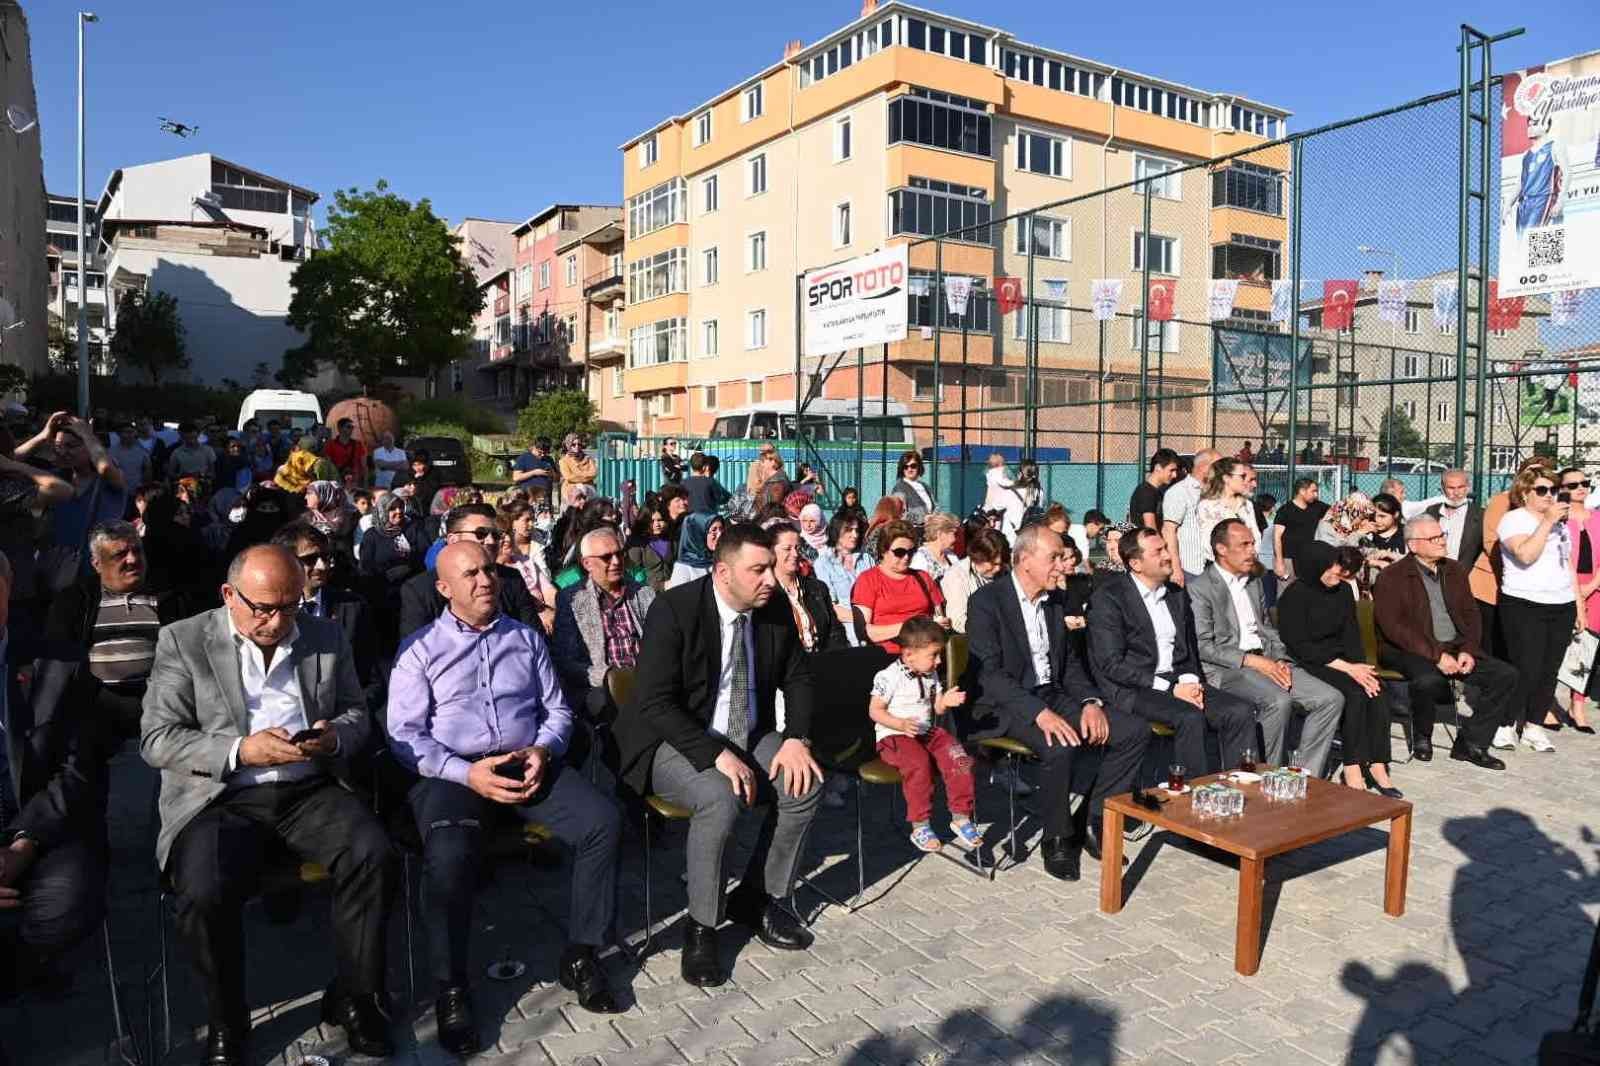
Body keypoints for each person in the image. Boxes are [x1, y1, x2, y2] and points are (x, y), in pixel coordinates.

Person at [139, 545, 395, 1064]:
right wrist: (240, 750)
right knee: (203, 888)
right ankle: (227, 1018)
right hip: (221, 797)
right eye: (263, 609)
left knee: (375, 853)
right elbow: (157, 739)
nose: (277, 621)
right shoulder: (184, 640)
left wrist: (333, 737)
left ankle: (356, 996)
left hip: (307, 789)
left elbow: (355, 712)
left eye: (291, 606)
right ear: (229, 596)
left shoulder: (323, 634)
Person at [387, 543, 623, 1049]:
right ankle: (451, 987)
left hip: (526, 764)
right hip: (455, 774)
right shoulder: (420, 650)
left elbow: (557, 710)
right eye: (470, 574)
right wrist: (466, 774)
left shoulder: (524, 638)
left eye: (489, 570)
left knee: (603, 820)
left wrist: (543, 748)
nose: (485, 580)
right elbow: (405, 737)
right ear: (444, 588)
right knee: (448, 858)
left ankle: (582, 951)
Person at [615, 524, 823, 988]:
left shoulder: (773, 609)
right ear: (723, 571)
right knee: (720, 796)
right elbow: (654, 703)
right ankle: (702, 926)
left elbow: (800, 678)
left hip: (749, 730)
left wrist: (797, 738)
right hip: (675, 738)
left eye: (772, 566)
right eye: (759, 569)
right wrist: (714, 754)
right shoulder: (675, 609)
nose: (771, 577)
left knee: (805, 784)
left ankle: (759, 898)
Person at [968, 526, 1147, 880]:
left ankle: (1095, 821)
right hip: (1006, 704)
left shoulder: (1055, 602)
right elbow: (989, 675)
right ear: (1025, 560)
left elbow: (1071, 667)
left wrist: (1091, 702)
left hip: (1053, 693)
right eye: (1053, 558)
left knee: (1133, 731)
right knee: (1060, 746)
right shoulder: (988, 602)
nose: (1062, 566)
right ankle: (1057, 837)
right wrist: (1039, 714)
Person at [0, 551, 117, 1002]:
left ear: (9, 592)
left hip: (42, 824)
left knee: (68, 904)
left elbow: (77, 767)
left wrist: (22, 846)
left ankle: (23, 965)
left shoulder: (58, 663)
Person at [1086, 528, 1256, 775]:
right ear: (1135, 563)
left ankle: (1240, 787)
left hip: (1178, 682)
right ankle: (1192, 799)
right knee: (1190, 717)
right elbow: (1112, 665)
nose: (1168, 555)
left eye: (1166, 548)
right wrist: (1173, 689)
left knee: (1240, 711)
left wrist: (1191, 684)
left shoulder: (1175, 594)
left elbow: (1187, 650)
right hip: (1135, 687)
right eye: (1159, 551)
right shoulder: (1109, 598)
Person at [1188, 519, 1343, 776]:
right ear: (1221, 549)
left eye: (1253, 544)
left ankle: (1303, 776)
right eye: (1245, 545)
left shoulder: (1253, 582)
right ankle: (1268, 776)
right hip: (1227, 669)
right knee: (1277, 701)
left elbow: (1266, 629)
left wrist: (1280, 659)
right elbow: (1203, 646)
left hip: (1266, 660)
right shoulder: (1200, 588)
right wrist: (1254, 662)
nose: (1253, 551)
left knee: (1330, 698)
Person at [1372, 516, 1516, 769]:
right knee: (1428, 679)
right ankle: (1422, 736)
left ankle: (1471, 743)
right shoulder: (1392, 577)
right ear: (1413, 545)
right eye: (1434, 538)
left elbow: (1471, 615)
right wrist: (1437, 655)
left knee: (1505, 675)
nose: (1441, 542)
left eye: (1441, 536)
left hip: (1455, 646)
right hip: (1406, 649)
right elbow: (1395, 628)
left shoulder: (1456, 569)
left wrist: (1469, 650)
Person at [32, 522, 186, 746]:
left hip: (160, 716)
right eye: (120, 554)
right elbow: (57, 669)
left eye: (137, 550)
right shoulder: (75, 602)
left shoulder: (169, 599)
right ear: (97, 564)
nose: (132, 559)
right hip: (93, 720)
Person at [1276, 542, 1402, 796]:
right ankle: (1352, 764)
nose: (1336, 576)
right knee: (1353, 695)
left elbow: (1351, 634)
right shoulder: (1294, 595)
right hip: (1311, 662)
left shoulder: (1343, 591)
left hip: (1343, 660)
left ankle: (1378, 764)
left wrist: (1362, 668)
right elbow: (1299, 645)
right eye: (1329, 571)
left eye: (1337, 570)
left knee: (1377, 690)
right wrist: (1348, 669)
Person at [868, 616, 977, 852]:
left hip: (926, 731)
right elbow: (875, 711)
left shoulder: (931, 673)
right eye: (933, 655)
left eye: (939, 655)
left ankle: (961, 816)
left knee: (959, 756)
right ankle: (920, 825)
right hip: (893, 736)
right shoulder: (888, 677)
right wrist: (899, 724)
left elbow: (936, 708)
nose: (939, 661)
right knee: (919, 764)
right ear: (908, 655)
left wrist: (946, 701)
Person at [1496, 465, 1578, 753]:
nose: (1549, 495)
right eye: (1542, 490)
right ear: (1525, 493)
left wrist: (1578, 604)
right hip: (1524, 602)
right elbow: (1526, 555)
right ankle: (1505, 724)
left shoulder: (1559, 522)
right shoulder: (1513, 519)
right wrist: (1546, 523)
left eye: (1553, 490)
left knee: (1549, 670)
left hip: (1560, 603)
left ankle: (1534, 726)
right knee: (1525, 668)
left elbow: (1566, 564)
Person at [551, 525, 658, 742]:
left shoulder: (644, 593)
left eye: (619, 554)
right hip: (601, 687)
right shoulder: (572, 599)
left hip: (646, 680)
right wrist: (609, 677)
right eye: (606, 557)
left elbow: (662, 646)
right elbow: (566, 661)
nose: (616, 562)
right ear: (587, 563)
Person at [399, 504, 542, 641]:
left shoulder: (511, 578)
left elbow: (535, 637)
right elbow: (415, 652)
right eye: (481, 534)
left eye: (496, 534)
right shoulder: (420, 590)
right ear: (453, 540)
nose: (491, 541)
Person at [16, 411, 128, 584]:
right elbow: (6, 464)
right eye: (59, 445)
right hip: (56, 569)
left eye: (71, 446)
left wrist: (86, 434)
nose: (62, 452)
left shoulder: (109, 482)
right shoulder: (54, 480)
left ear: (90, 447)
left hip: (99, 574)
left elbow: (104, 467)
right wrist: (43, 436)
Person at [271, 523, 380, 698]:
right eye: (310, 559)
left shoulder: (353, 607)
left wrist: (345, 716)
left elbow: (371, 681)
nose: (322, 566)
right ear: (285, 562)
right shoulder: (267, 611)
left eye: (325, 557)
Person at [853, 520, 948, 654]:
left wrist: (940, 623)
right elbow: (866, 632)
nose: (906, 557)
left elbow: (939, 615)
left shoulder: (923, 578)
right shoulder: (868, 580)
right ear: (883, 551)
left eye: (911, 552)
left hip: (926, 653)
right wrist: (912, 628)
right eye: (899, 552)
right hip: (887, 654)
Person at [1559, 468, 1600, 732]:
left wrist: (1591, 586)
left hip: (1595, 589)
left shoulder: (1597, 518)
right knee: (1558, 645)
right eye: (1573, 485)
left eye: (1585, 483)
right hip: (1563, 587)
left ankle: (1578, 705)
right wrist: (1576, 591)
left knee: (1588, 647)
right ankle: (1548, 704)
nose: (1581, 488)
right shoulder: (1558, 519)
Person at [770, 522, 847, 655]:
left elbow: (835, 632)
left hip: (823, 663)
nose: (795, 554)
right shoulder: (767, 594)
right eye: (787, 549)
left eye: (797, 548)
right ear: (771, 551)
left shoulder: (817, 588)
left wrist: (833, 661)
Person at [1161, 447, 1219, 586]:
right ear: (1204, 467)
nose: (1223, 470)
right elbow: (1169, 530)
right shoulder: (1180, 492)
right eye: (1219, 465)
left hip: (1213, 569)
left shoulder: (1215, 491)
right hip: (1191, 570)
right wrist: (1176, 568)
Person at [813, 512, 872, 645]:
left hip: (874, 625)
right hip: (847, 632)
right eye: (849, 530)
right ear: (836, 531)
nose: (854, 535)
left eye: (857, 530)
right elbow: (830, 607)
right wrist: (862, 620)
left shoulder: (867, 559)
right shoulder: (823, 563)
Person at [1194, 457, 1261, 568]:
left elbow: (1256, 537)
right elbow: (1209, 544)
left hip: (1247, 568)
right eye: (1242, 476)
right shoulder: (1207, 506)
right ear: (1226, 478)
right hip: (1220, 570)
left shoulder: (1247, 505)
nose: (1246, 481)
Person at [941, 527, 1008, 635]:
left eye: (1000, 563)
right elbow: (958, 621)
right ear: (979, 558)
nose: (998, 568)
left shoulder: (1004, 571)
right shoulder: (958, 576)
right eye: (993, 564)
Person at [1273, 477, 1328, 585]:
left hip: (1309, 560)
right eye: (1313, 491)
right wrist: (1279, 562)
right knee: (1286, 595)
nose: (1316, 495)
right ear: (1302, 491)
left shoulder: (1318, 507)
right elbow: (1277, 537)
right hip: (1288, 559)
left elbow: (1336, 513)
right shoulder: (1285, 510)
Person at [623, 506, 675, 591]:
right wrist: (659, 585)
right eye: (652, 521)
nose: (657, 524)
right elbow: (631, 574)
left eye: (660, 520)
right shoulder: (637, 543)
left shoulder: (671, 540)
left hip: (671, 592)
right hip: (647, 595)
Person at [667, 513, 723, 590]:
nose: (720, 535)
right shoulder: (683, 567)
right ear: (698, 535)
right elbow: (677, 599)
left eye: (721, 529)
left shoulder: (722, 558)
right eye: (714, 530)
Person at [1130, 447, 1180, 528]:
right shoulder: (1146, 492)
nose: (1175, 475)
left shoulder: (1156, 492)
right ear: (1158, 468)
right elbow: (1150, 527)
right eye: (1171, 470)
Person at [997, 461, 1041, 545]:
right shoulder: (1039, 492)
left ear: (1020, 474)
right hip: (1030, 538)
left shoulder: (1010, 492)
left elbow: (997, 506)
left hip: (1009, 538)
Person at [891, 451, 936, 526]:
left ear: (919, 467)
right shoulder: (899, 488)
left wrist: (934, 517)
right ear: (902, 469)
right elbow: (900, 514)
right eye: (905, 467)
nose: (909, 469)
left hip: (930, 528)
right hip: (911, 530)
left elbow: (935, 506)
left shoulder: (925, 486)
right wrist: (923, 518)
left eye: (913, 466)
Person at [912, 512, 960, 581]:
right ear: (940, 534)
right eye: (955, 534)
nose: (957, 539)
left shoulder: (951, 556)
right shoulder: (920, 559)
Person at [511, 437, 557, 503]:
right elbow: (516, 477)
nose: (543, 455)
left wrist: (552, 473)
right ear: (534, 447)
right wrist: (534, 473)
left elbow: (557, 478)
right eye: (540, 452)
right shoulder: (524, 458)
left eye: (545, 453)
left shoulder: (549, 459)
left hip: (545, 498)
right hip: (529, 498)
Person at [108, 420, 154, 487]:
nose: (129, 434)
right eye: (126, 432)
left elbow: (148, 472)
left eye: (131, 432)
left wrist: (143, 487)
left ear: (135, 433)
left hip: (136, 492)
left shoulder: (142, 451)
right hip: (117, 492)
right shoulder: (111, 452)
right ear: (119, 434)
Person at [323, 419, 368, 487]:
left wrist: (365, 484)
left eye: (352, 427)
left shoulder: (358, 444)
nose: (351, 429)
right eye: (348, 427)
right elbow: (328, 465)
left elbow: (364, 465)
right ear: (340, 428)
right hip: (337, 482)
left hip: (354, 482)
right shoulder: (330, 445)